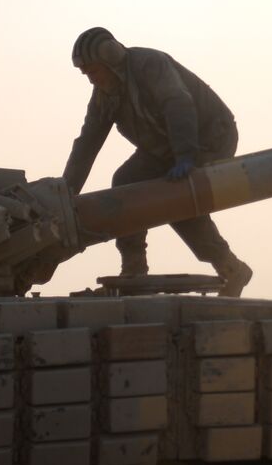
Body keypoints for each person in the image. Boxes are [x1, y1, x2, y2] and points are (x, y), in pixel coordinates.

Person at [62, 27, 253, 297]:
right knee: (125, 184)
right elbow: (87, 144)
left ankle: (230, 268)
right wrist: (65, 194)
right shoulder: (104, 96)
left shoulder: (150, 65)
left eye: (93, 71)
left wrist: (185, 155)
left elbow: (178, 104)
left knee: (179, 201)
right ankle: (134, 267)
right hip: (164, 149)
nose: (91, 79)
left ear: (110, 59)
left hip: (208, 137)